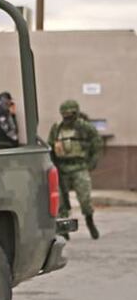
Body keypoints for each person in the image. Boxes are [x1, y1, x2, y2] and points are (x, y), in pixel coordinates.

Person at [48, 100, 104, 239]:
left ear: (76, 113)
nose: (67, 118)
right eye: (64, 115)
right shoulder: (57, 128)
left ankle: (90, 222)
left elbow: (97, 143)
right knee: (61, 202)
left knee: (84, 198)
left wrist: (92, 162)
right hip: (62, 168)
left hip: (79, 167)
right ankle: (64, 229)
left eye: (70, 114)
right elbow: (50, 146)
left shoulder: (85, 127)